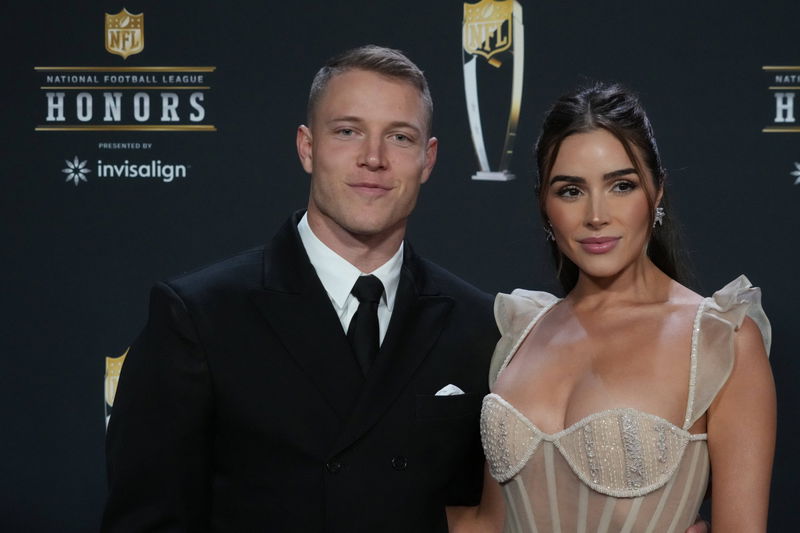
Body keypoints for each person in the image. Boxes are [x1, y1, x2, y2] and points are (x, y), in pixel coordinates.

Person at [101, 45, 500, 532]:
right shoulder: (200, 317)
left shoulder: (478, 325)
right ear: (307, 147)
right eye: (348, 131)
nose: (373, 159)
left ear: (427, 159)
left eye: (399, 137)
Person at [470, 83, 775, 532]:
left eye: (621, 186)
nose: (597, 215)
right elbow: (487, 524)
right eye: (571, 191)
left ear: (657, 191)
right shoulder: (521, 330)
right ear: (544, 204)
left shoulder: (719, 339)